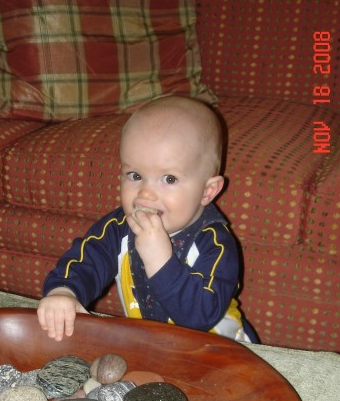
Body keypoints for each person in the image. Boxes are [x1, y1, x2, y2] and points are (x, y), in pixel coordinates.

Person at [37, 95, 257, 343]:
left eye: (169, 179)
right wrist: (64, 291)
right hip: (152, 343)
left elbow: (201, 315)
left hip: (221, 351)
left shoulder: (215, 243)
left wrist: (160, 259)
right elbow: (86, 259)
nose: (145, 194)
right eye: (135, 175)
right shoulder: (119, 227)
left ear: (207, 191)